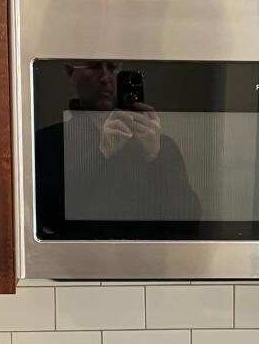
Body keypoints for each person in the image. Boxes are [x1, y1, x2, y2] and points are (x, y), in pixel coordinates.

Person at [40, 61, 201, 224]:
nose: (104, 78)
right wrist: (101, 153)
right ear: (69, 71)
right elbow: (45, 215)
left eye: (113, 67)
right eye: (93, 66)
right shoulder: (48, 141)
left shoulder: (162, 146)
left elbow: (190, 220)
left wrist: (156, 157)